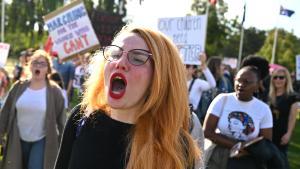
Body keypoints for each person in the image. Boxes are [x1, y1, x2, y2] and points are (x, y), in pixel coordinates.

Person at [54, 25, 201, 169]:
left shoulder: (177, 147)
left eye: (137, 59)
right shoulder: (81, 118)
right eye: (115, 55)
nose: (120, 63)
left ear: (159, 79)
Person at [0, 50, 66, 169]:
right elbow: (5, 113)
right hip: (17, 138)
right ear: (29, 66)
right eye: (35, 63)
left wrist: (64, 145)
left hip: (41, 140)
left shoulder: (54, 91)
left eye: (42, 64)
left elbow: (62, 121)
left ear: (48, 69)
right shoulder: (18, 87)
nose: (38, 66)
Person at [203, 66, 273, 169]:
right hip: (217, 157)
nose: (241, 84)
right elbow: (207, 131)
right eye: (238, 80)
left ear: (257, 85)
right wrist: (237, 146)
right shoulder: (222, 99)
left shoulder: (264, 109)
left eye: (247, 82)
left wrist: (245, 150)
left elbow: (265, 142)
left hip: (246, 160)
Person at [269, 68, 300, 169]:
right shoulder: (268, 95)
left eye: (281, 77)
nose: (278, 80)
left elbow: (293, 117)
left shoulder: (292, 97)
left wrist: (289, 134)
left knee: (280, 161)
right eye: (275, 77)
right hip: (267, 132)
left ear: (287, 79)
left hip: (282, 133)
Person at [186, 53, 216, 118]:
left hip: (190, 117)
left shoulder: (198, 82)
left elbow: (213, 84)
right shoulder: (176, 81)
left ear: (194, 70)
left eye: (187, 66)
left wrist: (203, 65)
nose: (183, 68)